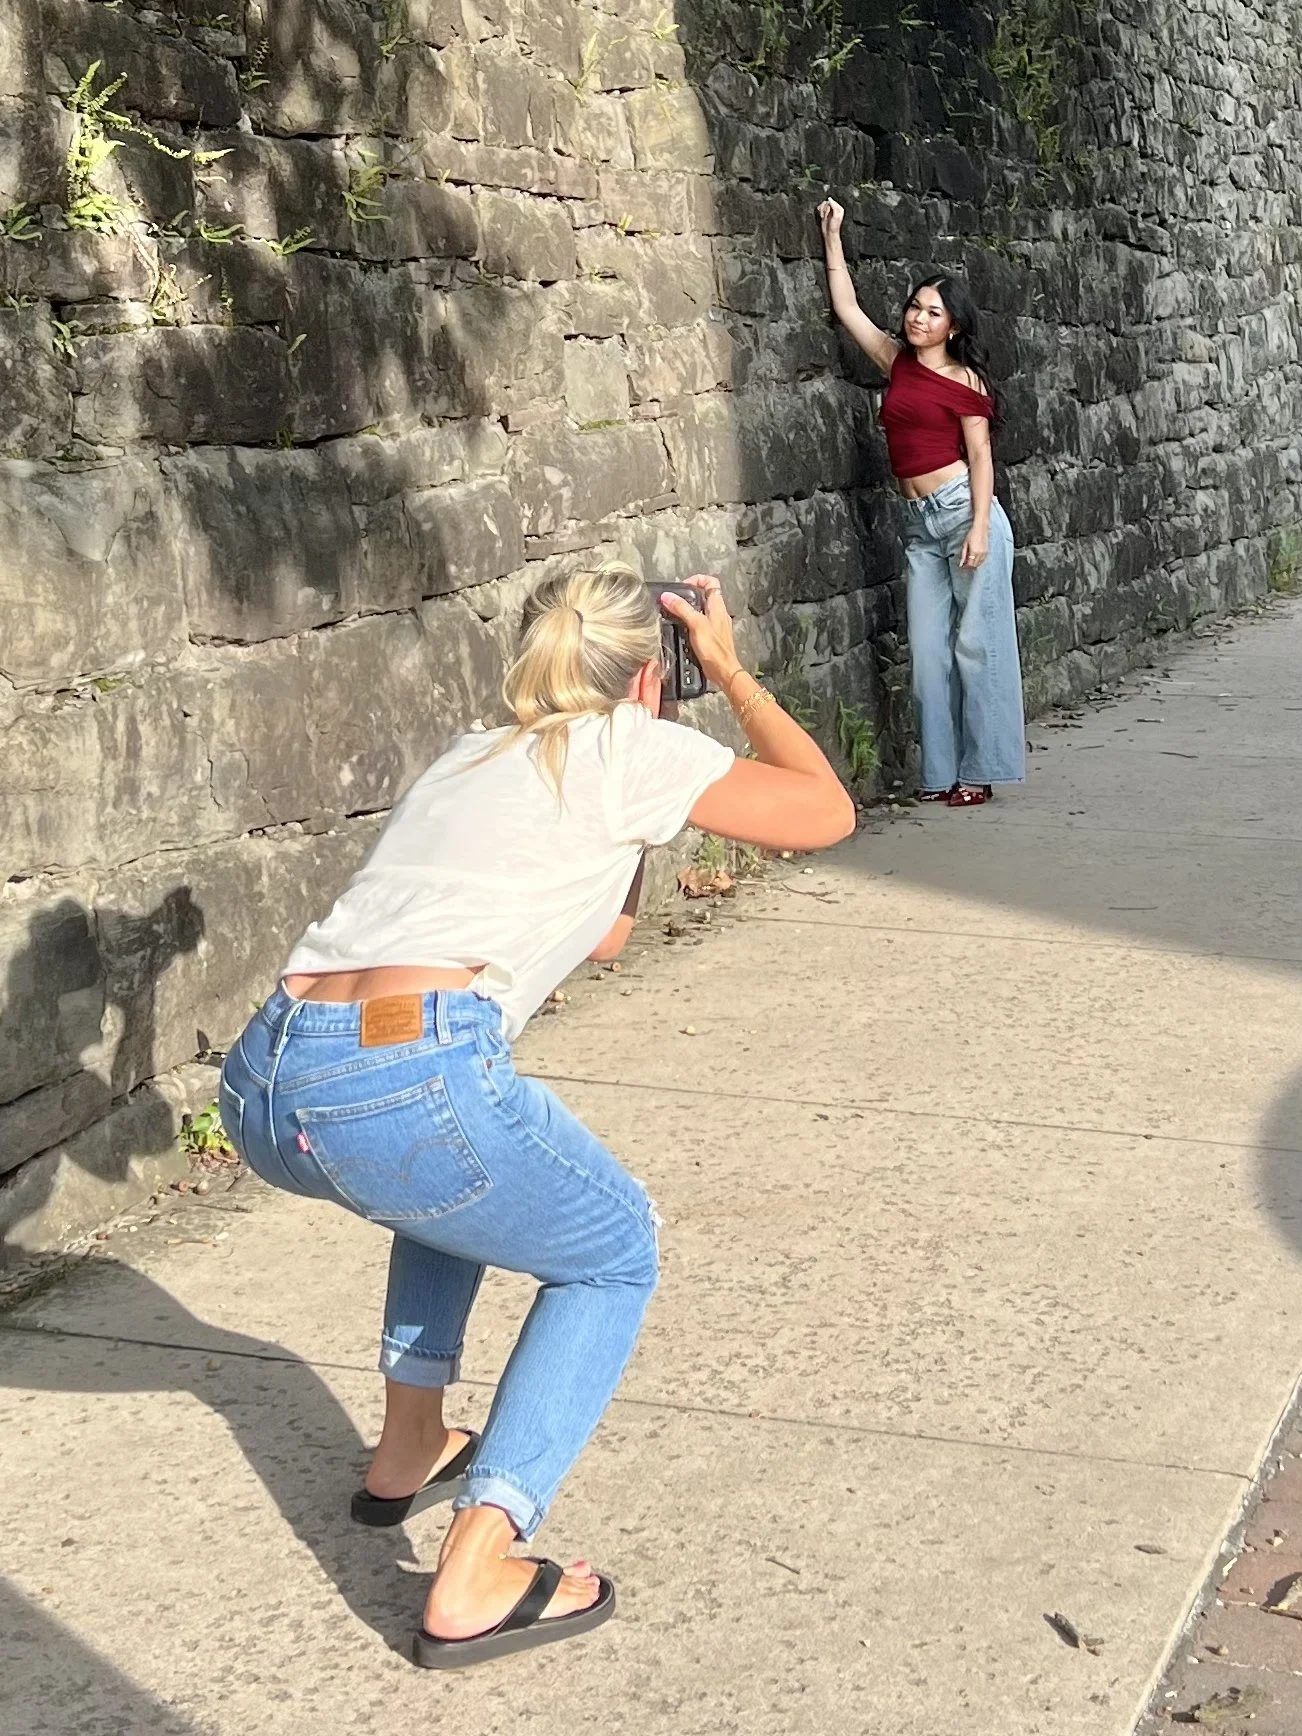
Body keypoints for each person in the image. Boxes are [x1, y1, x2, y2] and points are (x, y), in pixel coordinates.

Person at [218, 567, 854, 1669]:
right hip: (403, 1074)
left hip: (270, 1077)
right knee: (615, 1251)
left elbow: (605, 933)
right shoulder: (632, 748)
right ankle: (481, 1560)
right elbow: (825, 811)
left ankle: (410, 1443)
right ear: (649, 672)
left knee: (452, 1178)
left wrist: (642, 819)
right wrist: (732, 673)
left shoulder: (470, 754)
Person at [818, 198, 1025, 807]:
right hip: (918, 525)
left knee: (976, 645)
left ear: (953, 326)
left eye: (933, 313)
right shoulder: (896, 363)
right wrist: (834, 235)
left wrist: (982, 527)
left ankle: (978, 771)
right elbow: (846, 307)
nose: (918, 318)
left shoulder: (965, 382)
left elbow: (981, 457)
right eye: (914, 307)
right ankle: (938, 772)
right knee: (929, 654)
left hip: (965, 514)